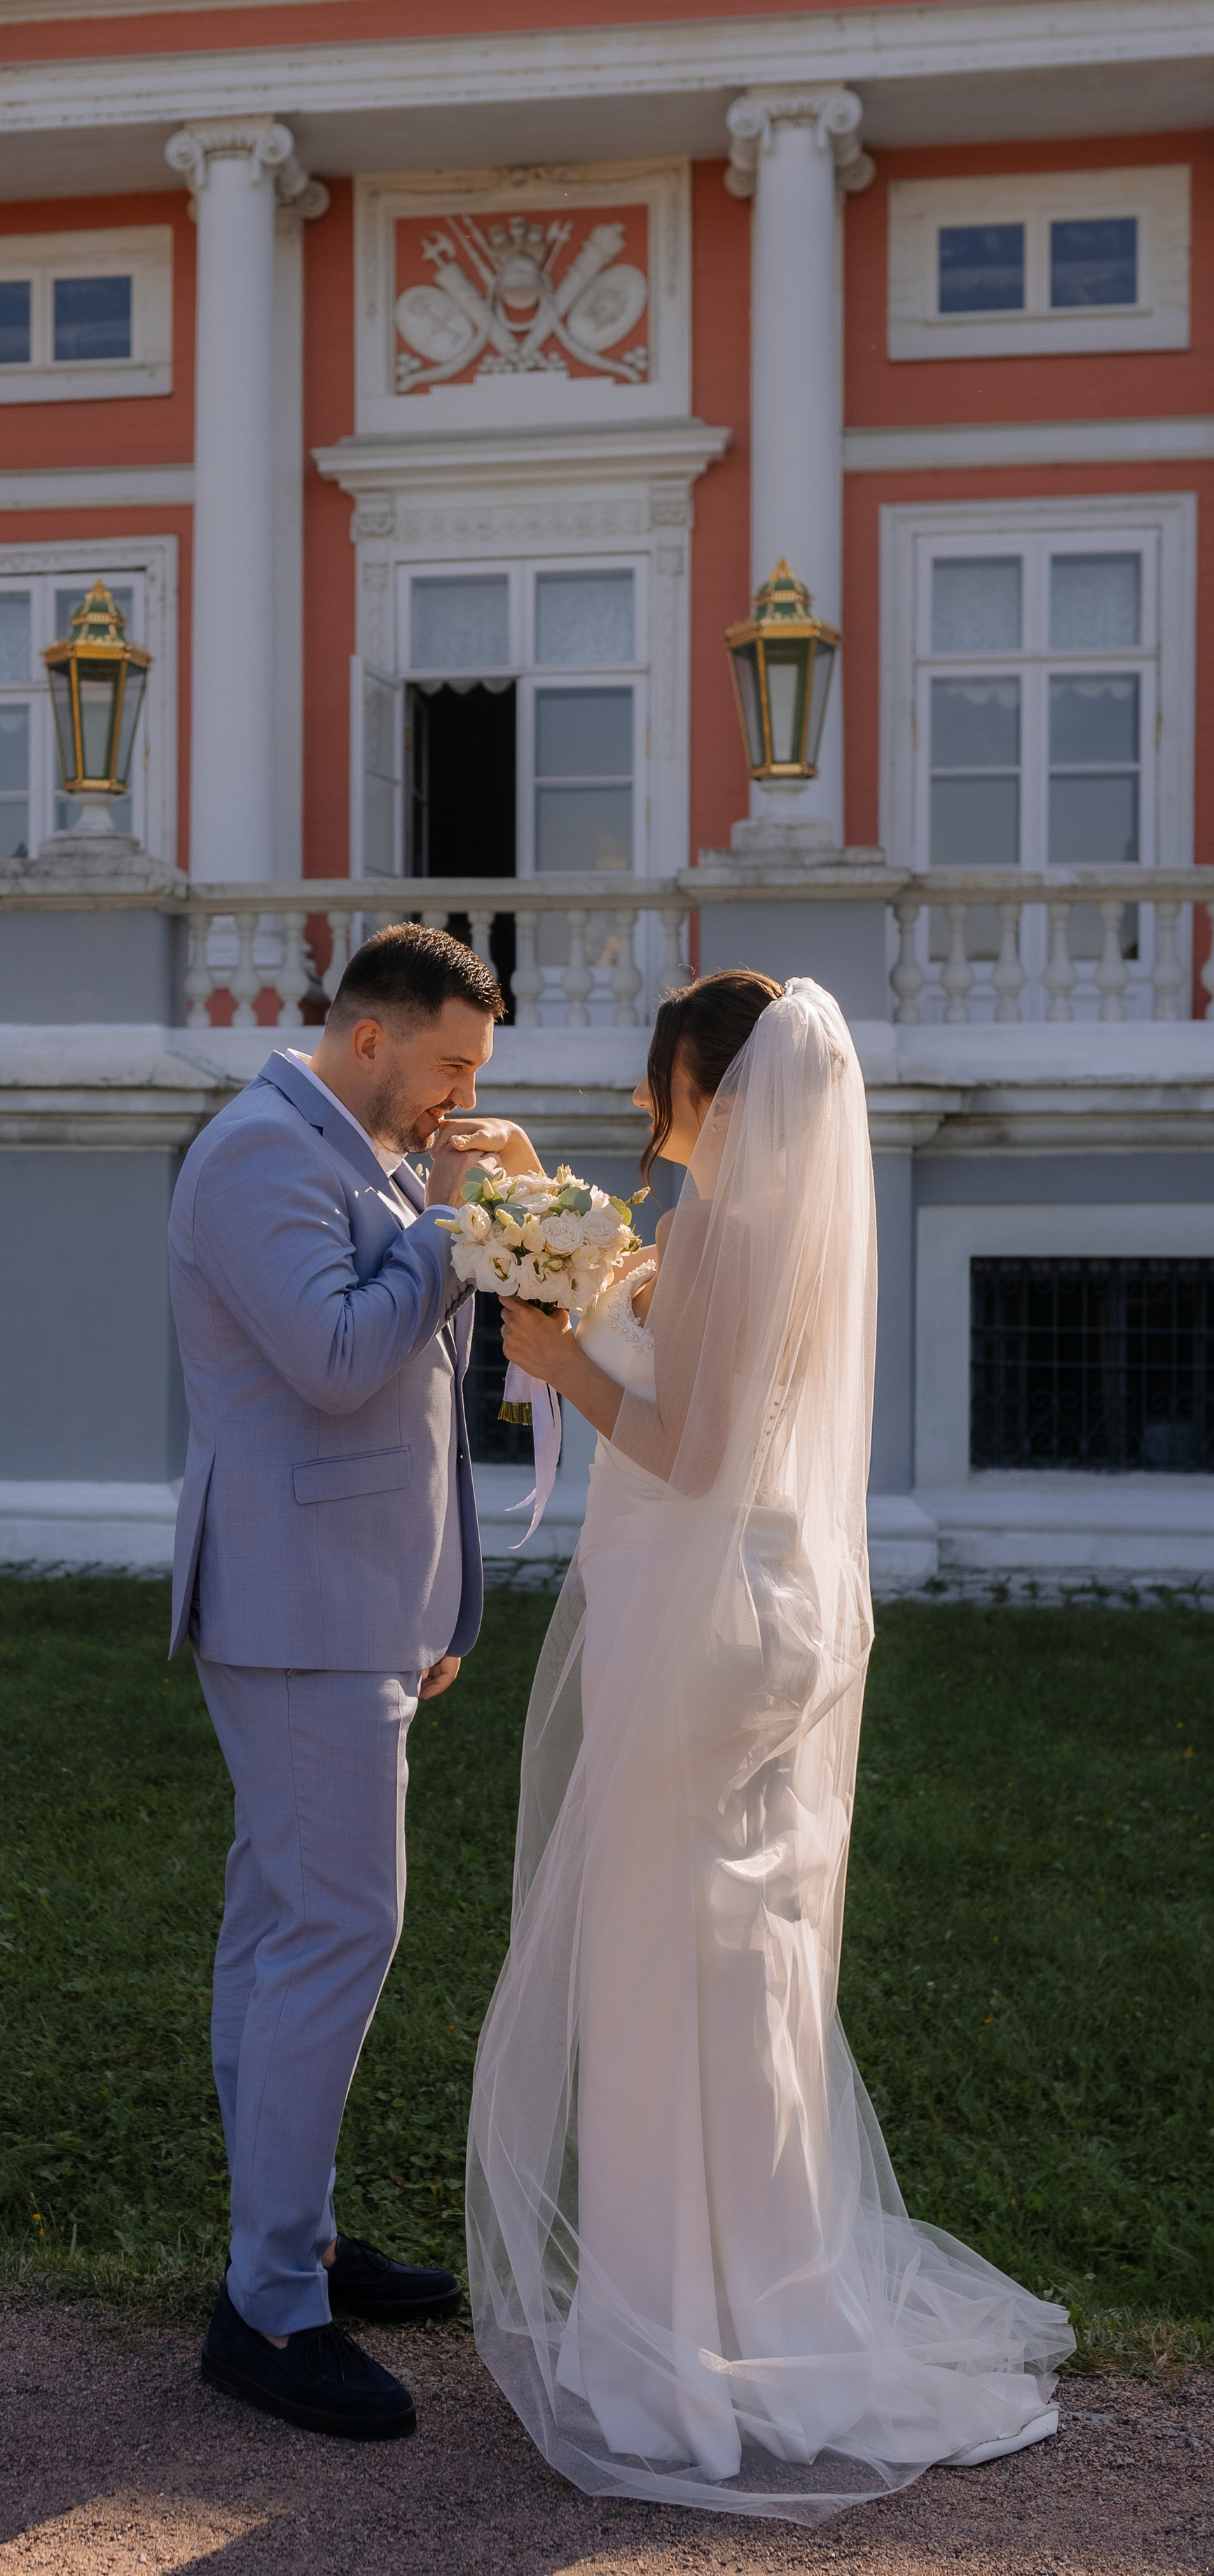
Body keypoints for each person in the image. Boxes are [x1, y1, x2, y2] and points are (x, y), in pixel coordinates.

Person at [466, 969, 1073, 2521]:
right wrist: (537, 1195)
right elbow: (661, 1314)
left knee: (663, 1958)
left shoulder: (731, 1228)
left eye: (655, 1079)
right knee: (739, 1958)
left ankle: (672, 2341)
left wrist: (554, 1374)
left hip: (699, 1624)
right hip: (764, 1618)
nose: (637, 1105)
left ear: (711, 1090)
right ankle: (752, 2302)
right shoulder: (767, 1231)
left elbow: (687, 1440)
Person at [168, 922, 539, 2442]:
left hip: (348, 1602)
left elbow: (413, 1398)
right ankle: (268, 2308)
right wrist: (452, 1231)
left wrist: (436, 1591)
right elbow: (333, 1360)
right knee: (333, 1930)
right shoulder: (262, 1153)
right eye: (450, 1064)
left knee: (283, 1927)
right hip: (294, 1607)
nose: (459, 1097)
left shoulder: (362, 1157)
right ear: (370, 1038)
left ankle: (296, 2239)